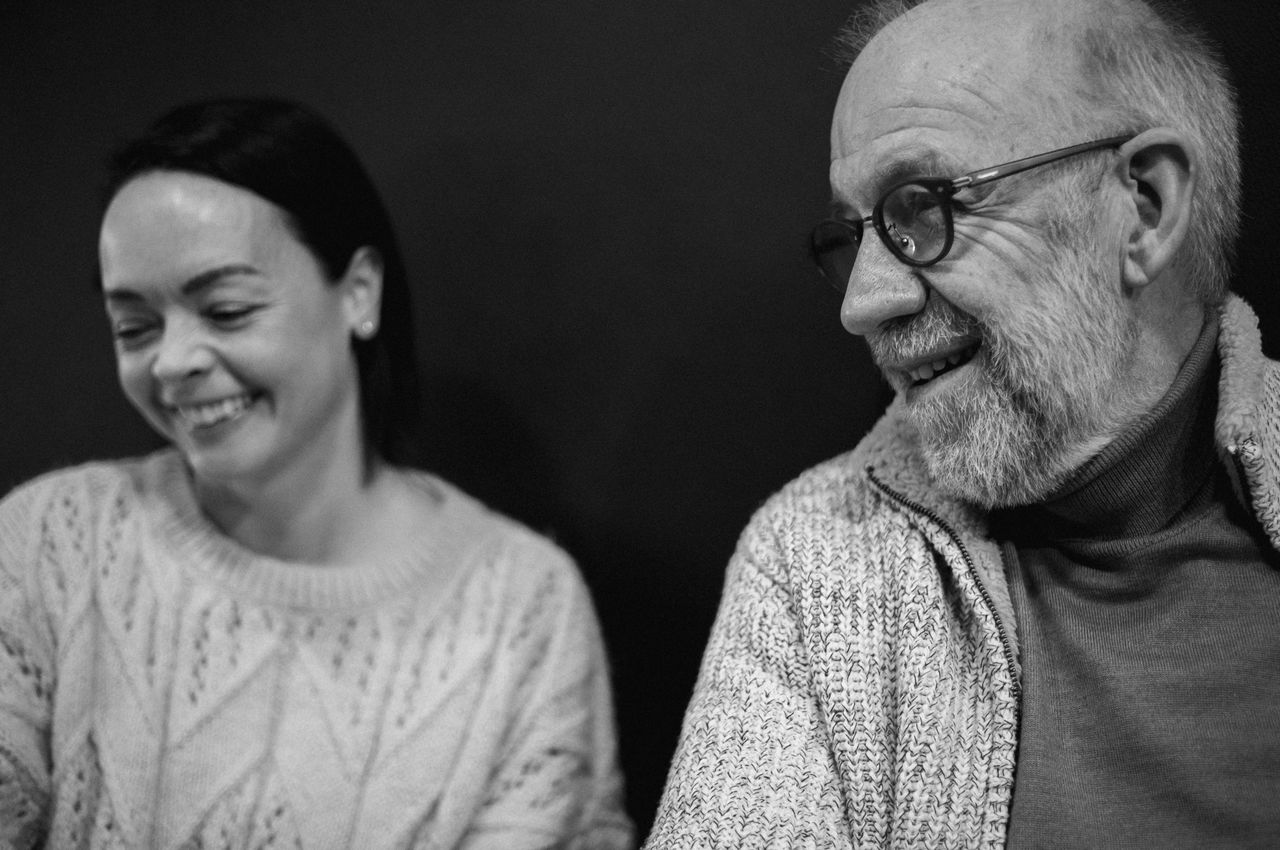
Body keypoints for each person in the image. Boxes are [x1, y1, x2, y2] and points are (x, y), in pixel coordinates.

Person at [647, 0, 1280, 846]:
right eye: (854, 232)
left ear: (1146, 205)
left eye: (922, 205)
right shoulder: (819, 558)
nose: (863, 303)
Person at [0, 98, 632, 849]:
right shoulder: (49, 548)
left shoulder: (521, 609)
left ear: (358, 292)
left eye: (226, 310)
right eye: (134, 327)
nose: (172, 361)